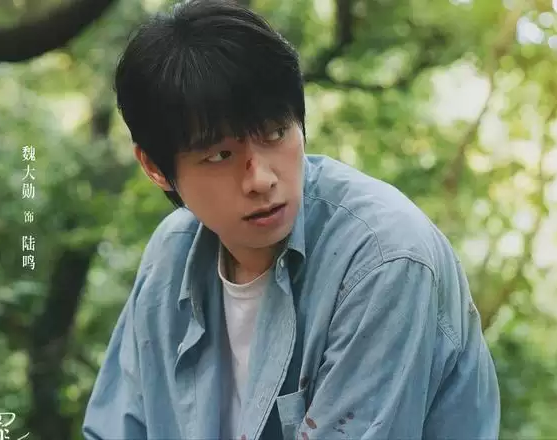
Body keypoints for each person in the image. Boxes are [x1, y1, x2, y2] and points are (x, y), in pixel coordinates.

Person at [82, 0, 501, 439]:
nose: (261, 179)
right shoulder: (171, 254)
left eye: (275, 133)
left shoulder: (384, 258)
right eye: (221, 155)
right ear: (154, 167)